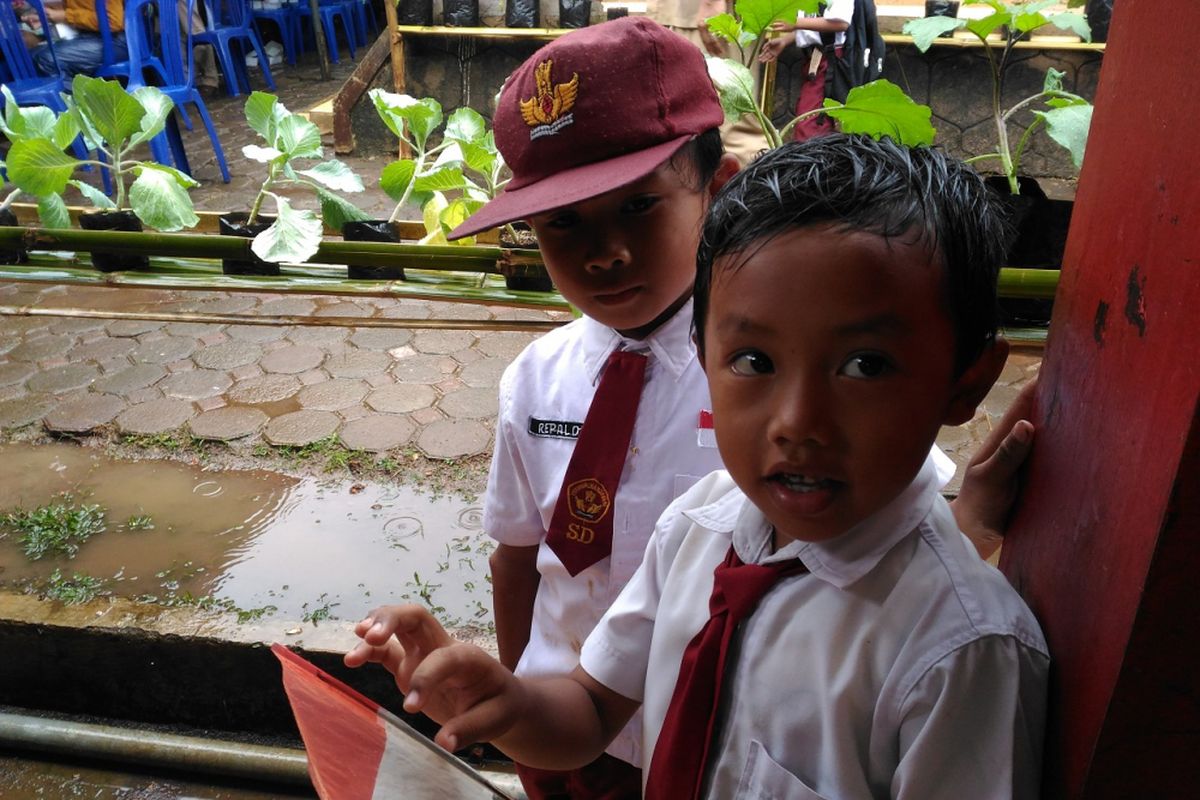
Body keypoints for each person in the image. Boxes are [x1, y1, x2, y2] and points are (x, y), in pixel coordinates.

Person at [355, 16, 1032, 799]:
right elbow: (526, 570)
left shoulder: (957, 654)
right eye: (752, 364)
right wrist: (508, 696)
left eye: (863, 365)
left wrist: (974, 523)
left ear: (718, 185)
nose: (794, 422)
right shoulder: (695, 523)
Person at [759, 0, 853, 141]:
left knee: (810, 125)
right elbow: (815, 25)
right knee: (812, 120)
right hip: (818, 58)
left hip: (833, 61)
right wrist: (785, 40)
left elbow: (841, 22)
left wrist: (796, 23)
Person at [31, 0, 127, 80]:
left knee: (48, 59)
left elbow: (113, 21)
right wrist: (50, 13)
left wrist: (66, 16)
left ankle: (79, 101)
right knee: (31, 56)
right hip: (93, 35)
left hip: (121, 40)